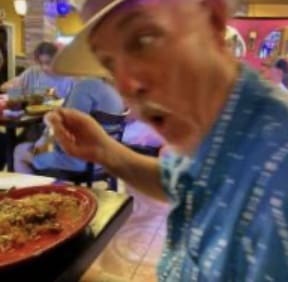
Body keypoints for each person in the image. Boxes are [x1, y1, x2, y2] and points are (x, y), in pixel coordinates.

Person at [47, 0, 288, 281]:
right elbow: (179, 182)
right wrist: (103, 149)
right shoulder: (214, 122)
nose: (125, 87)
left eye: (143, 39)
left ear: (212, 19)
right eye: (109, 64)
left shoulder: (279, 174)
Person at [14, 78, 124, 173]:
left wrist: (40, 145)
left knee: (20, 151)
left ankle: (37, 194)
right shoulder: (115, 90)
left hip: (79, 159)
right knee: (35, 146)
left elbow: (65, 135)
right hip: (105, 160)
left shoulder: (84, 87)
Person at [2, 41, 74, 99]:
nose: (44, 67)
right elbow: (11, 91)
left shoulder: (69, 79)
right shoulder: (33, 72)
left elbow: (69, 105)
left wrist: (53, 94)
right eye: (40, 63)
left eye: (48, 62)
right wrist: (13, 89)